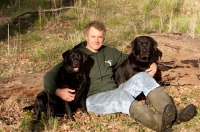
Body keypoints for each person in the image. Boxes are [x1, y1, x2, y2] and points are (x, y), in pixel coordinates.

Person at [44, 21, 197, 132]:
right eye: (93, 36)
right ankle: (160, 124)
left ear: (104, 38)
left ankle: (171, 114)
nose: (97, 40)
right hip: (93, 99)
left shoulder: (110, 52)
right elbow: (49, 76)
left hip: (115, 91)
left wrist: (153, 64)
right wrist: (58, 91)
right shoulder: (76, 54)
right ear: (86, 36)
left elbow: (132, 58)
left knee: (143, 77)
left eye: (100, 37)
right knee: (122, 97)